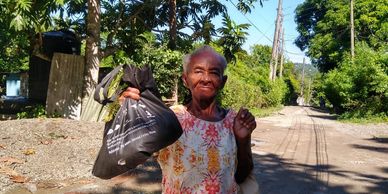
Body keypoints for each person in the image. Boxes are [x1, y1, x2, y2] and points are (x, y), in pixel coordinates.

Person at [119, 46, 256, 194]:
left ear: (222, 82)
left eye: (214, 73)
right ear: (185, 79)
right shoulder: (169, 118)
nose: (206, 79)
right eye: (198, 71)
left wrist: (243, 140)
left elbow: (241, 175)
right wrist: (129, 113)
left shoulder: (232, 120)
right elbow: (126, 159)